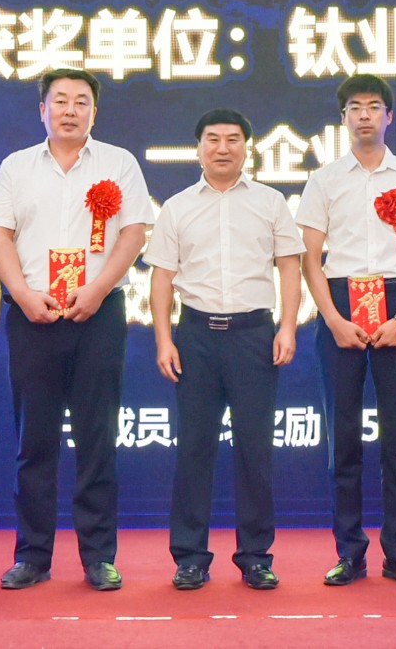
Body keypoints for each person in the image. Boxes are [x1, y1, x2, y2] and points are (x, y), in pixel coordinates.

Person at [0, 68, 153, 591]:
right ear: (43, 110)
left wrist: (97, 289)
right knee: (34, 441)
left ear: (94, 112)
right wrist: (22, 294)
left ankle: (98, 556)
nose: (71, 110)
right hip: (32, 314)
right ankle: (32, 556)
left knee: (97, 438)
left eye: (82, 102)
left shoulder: (119, 163)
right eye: (60, 101)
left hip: (97, 315)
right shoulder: (16, 167)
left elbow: (134, 232)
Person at [147, 108, 304, 591]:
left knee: (255, 450)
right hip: (195, 336)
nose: (222, 147)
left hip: (254, 335)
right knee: (194, 449)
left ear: (246, 147)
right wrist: (164, 339)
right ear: (198, 148)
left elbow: (290, 267)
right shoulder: (177, 207)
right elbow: (162, 278)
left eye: (233, 139)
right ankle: (190, 557)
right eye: (212, 139)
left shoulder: (271, 202)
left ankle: (255, 556)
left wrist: (287, 328)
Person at [298, 74, 396, 587]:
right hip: (340, 304)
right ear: (343, 118)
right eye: (355, 107)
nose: (364, 115)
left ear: (389, 116)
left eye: (374, 106)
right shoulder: (324, 180)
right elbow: (309, 258)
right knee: (343, 439)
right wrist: (333, 319)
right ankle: (350, 553)